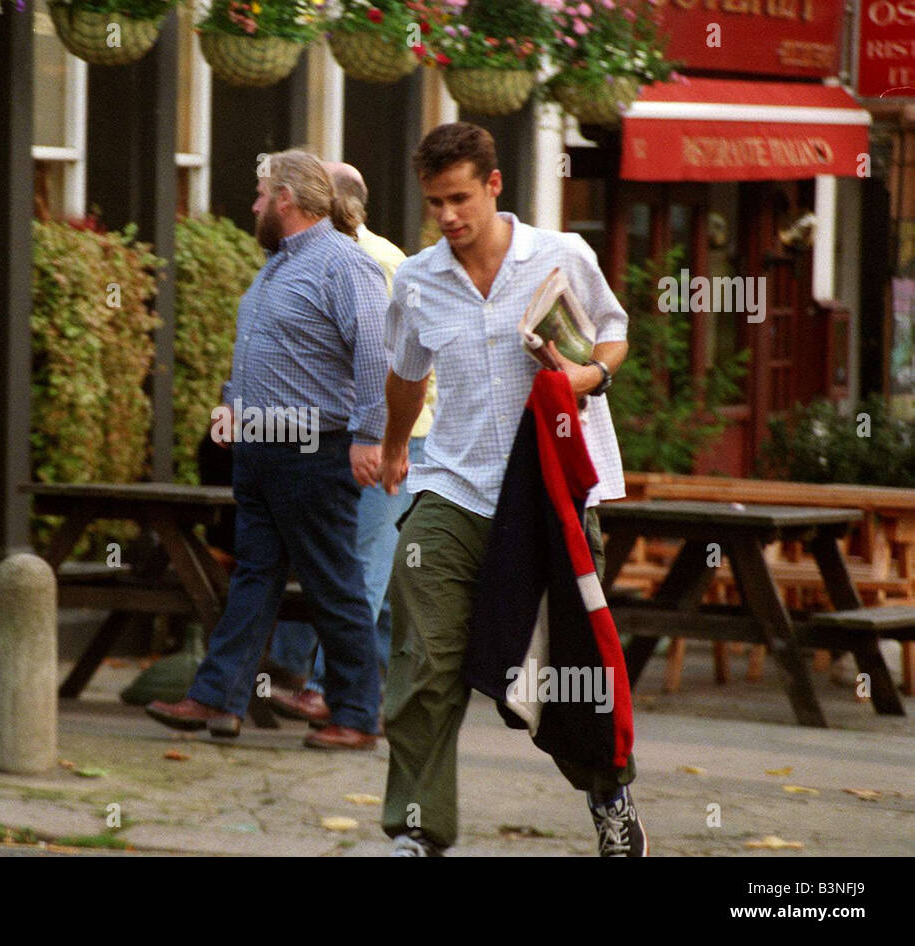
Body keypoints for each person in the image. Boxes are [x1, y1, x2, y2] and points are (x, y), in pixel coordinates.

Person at [377, 123, 646, 856]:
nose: (449, 216)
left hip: (554, 491)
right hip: (454, 487)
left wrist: (589, 377)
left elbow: (614, 334)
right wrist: (397, 445)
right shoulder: (418, 279)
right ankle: (416, 829)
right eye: (435, 202)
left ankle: (607, 792)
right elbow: (406, 373)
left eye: (460, 198)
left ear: (495, 186)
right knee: (423, 655)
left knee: (560, 670)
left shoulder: (562, 255)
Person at [145, 149, 388, 750]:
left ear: (285, 199)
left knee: (333, 582)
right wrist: (231, 402)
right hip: (259, 449)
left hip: (313, 450)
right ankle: (216, 699)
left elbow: (377, 354)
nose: (253, 206)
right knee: (254, 579)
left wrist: (369, 437)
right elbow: (255, 347)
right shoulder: (276, 265)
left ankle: (357, 714)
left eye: (259, 196)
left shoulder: (343, 264)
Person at [267, 161, 437, 726]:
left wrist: (382, 443)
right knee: (349, 567)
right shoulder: (307, 262)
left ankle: (329, 691)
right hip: (338, 440)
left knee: (362, 566)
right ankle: (318, 677)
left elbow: (397, 364)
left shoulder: (378, 262)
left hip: (388, 439)